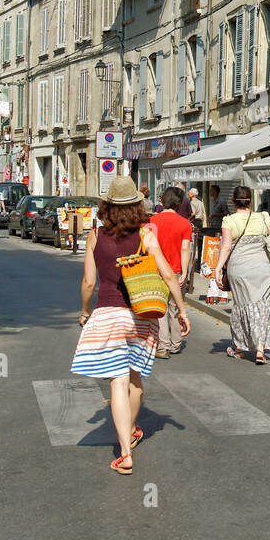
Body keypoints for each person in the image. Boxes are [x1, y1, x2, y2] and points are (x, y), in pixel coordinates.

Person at [75, 176, 188, 476]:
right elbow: (167, 274)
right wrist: (182, 311)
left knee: (117, 382)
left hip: (109, 314)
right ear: (137, 205)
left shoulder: (95, 235)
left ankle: (125, 452)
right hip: (140, 317)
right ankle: (134, 428)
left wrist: (85, 311)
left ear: (107, 205)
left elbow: (89, 282)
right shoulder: (146, 233)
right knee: (135, 380)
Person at [212, 185, 270, 365]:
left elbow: (226, 247)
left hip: (239, 269)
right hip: (262, 268)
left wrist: (218, 268)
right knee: (263, 307)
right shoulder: (263, 217)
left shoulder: (229, 220)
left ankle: (240, 348)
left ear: (234, 202)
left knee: (242, 305)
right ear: (251, 201)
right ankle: (260, 349)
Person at [149, 187, 194, 359]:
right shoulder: (184, 223)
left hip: (156, 270)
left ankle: (163, 345)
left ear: (162, 201)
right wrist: (184, 271)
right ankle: (176, 344)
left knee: (160, 308)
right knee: (175, 306)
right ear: (179, 203)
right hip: (175, 270)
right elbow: (185, 249)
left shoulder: (151, 221)